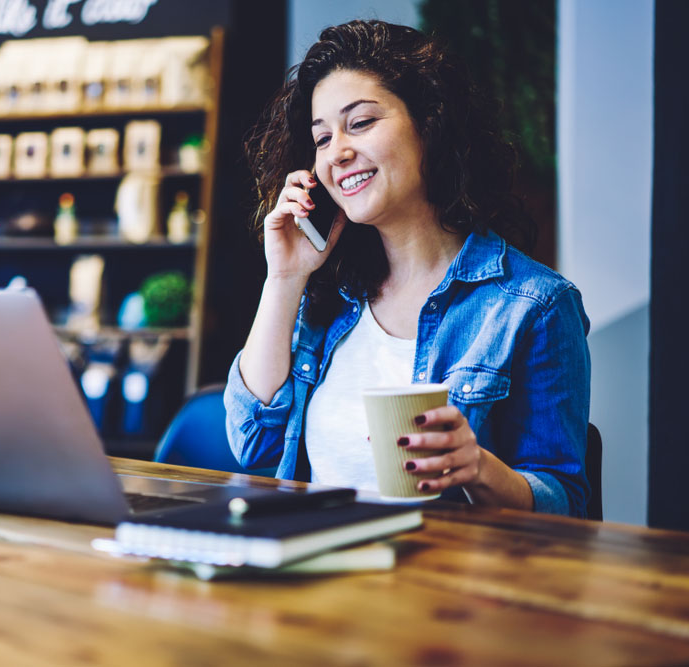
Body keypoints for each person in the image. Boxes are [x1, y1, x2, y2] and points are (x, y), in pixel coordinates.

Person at [223, 20, 591, 517]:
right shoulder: (329, 297)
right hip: (315, 575)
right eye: (322, 137)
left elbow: (564, 503)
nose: (338, 152)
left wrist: (477, 467)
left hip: (443, 583)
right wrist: (285, 279)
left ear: (429, 123)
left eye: (361, 122)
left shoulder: (535, 304)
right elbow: (251, 443)